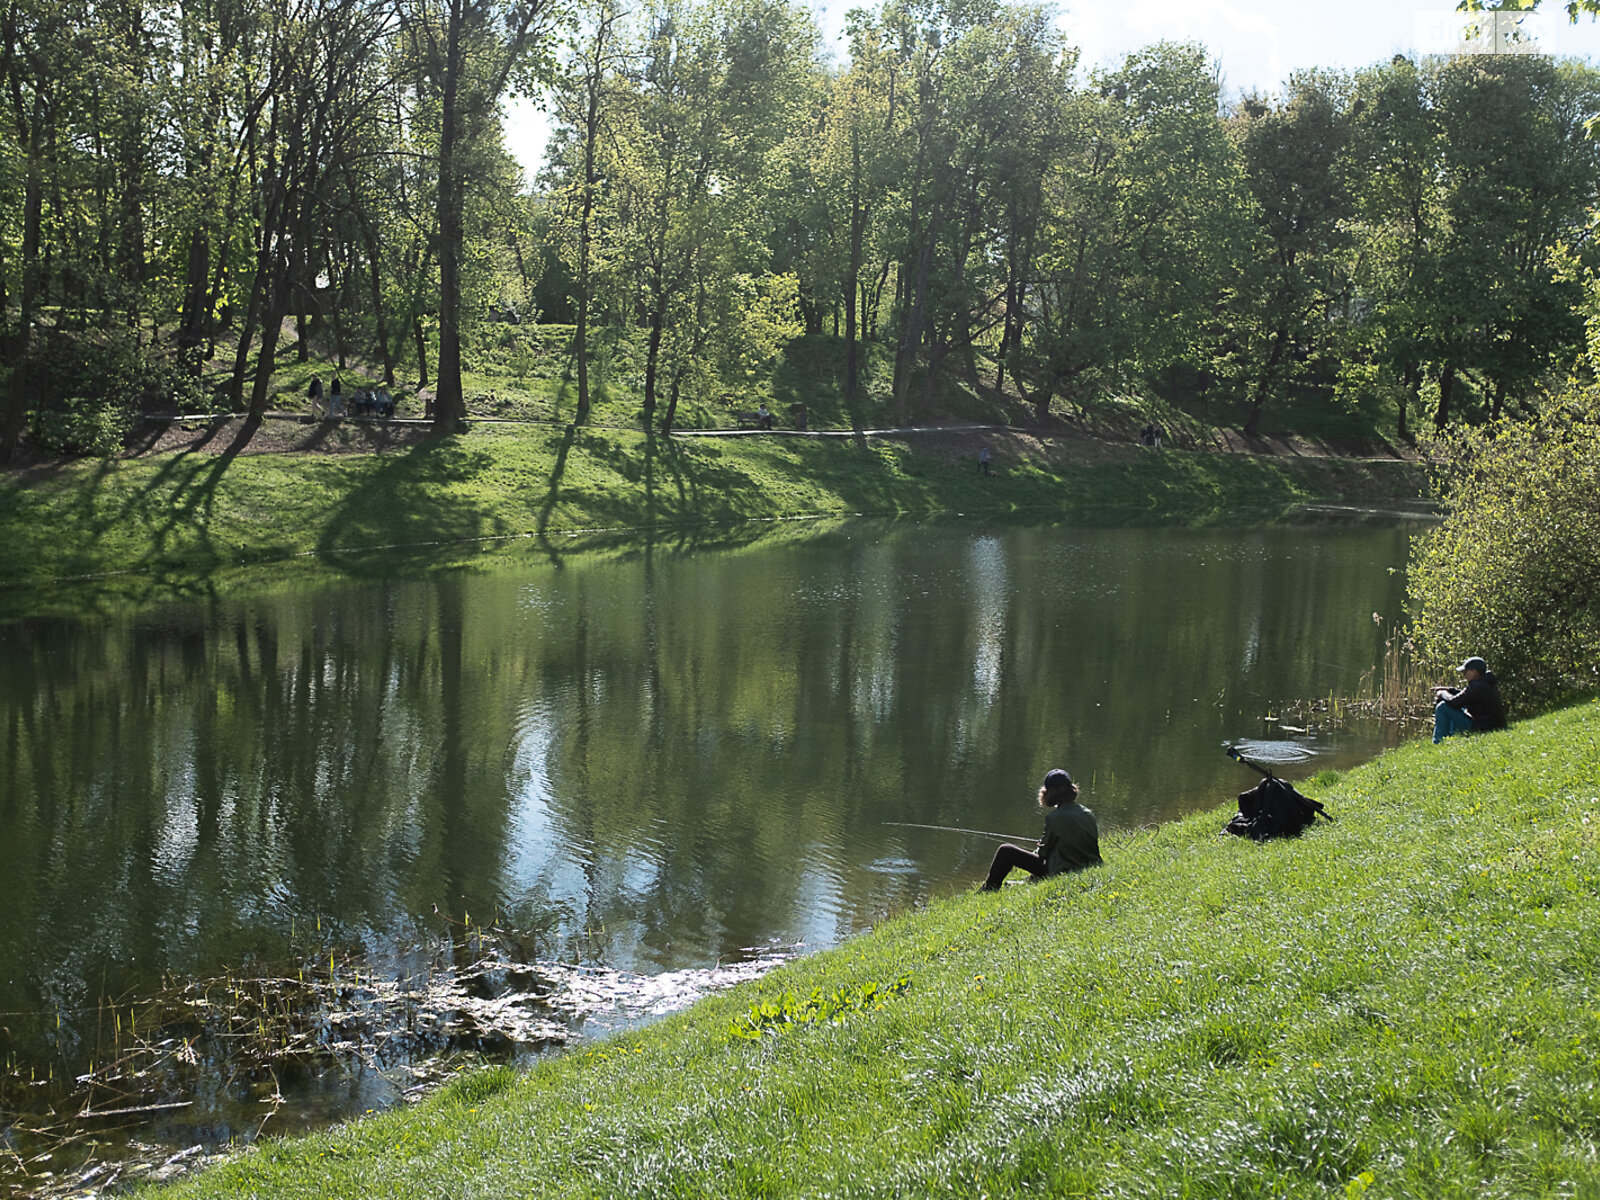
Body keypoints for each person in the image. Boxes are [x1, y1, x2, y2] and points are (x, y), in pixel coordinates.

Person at [980, 768, 1102, 891]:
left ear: (1051, 792)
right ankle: (1026, 881)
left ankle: (989, 888)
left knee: (1006, 851)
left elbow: (1042, 854)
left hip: (1064, 870)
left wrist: (1038, 848)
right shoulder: (1088, 813)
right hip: (1088, 864)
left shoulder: (1054, 818)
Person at [1432, 655, 1508, 744]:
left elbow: (1454, 702)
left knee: (1443, 707)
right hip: (1491, 724)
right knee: (1458, 708)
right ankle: (1452, 736)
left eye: (1465, 671)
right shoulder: (1486, 683)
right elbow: (1466, 697)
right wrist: (1450, 690)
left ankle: (1438, 742)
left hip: (1482, 727)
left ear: (1474, 672)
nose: (1464, 675)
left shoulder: (1476, 686)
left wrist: (1442, 693)